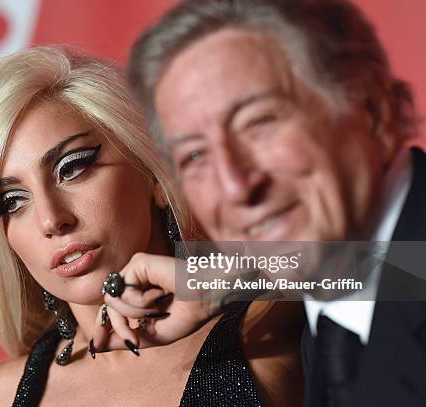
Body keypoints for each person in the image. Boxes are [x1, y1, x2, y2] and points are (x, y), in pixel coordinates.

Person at [95, 0, 426, 405]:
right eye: (195, 156)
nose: (235, 186)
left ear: (373, 110)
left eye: (259, 123)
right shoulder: (331, 315)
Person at [0, 46, 303, 406]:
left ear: (154, 173)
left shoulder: (270, 328)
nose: (51, 220)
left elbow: (358, 272)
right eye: (13, 201)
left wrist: (216, 281)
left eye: (72, 168)